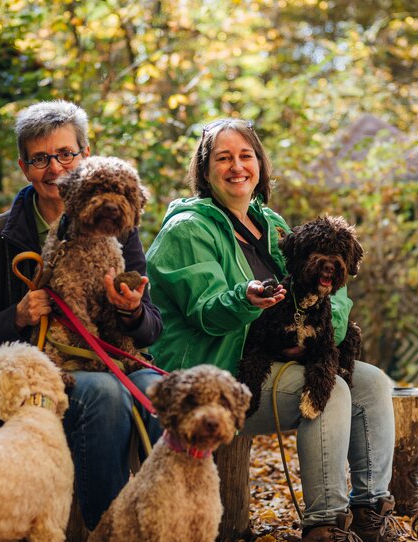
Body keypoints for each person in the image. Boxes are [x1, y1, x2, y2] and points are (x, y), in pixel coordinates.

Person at [145, 118, 398, 542]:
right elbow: (206, 311)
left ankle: (370, 509)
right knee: (331, 389)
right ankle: (325, 523)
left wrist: (324, 319)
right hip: (216, 378)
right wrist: (244, 297)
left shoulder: (272, 225)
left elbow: (321, 288)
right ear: (205, 170)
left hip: (270, 364)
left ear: (259, 164)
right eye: (223, 158)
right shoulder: (186, 229)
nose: (236, 166)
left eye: (246, 156)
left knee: (372, 382)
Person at [0, 100, 163, 531]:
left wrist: (131, 311)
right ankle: (107, 530)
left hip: (115, 357)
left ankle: (165, 524)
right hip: (41, 374)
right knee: (106, 396)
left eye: (66, 154)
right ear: (24, 167)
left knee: (159, 391)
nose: (56, 169)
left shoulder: (119, 222)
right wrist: (18, 315)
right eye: (41, 158)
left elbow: (151, 327)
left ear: (85, 155)